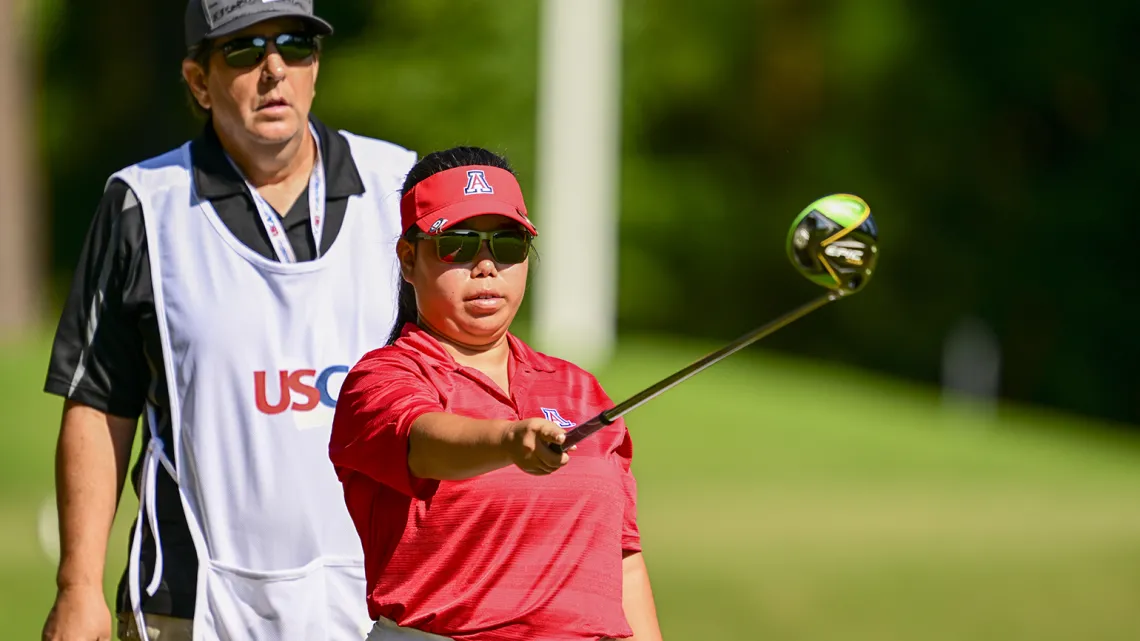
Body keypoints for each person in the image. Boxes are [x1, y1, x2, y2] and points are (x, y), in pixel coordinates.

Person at [41, 1, 415, 639]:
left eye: (295, 45)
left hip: (382, 600)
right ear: (198, 81)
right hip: (187, 602)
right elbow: (99, 403)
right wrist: (78, 588)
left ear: (316, 66)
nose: (274, 70)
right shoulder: (143, 204)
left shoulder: (399, 183)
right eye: (244, 50)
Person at [328, 147, 665, 641]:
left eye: (506, 245)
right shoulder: (382, 377)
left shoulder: (579, 388)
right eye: (458, 245)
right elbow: (424, 444)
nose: (485, 265)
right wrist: (508, 441)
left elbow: (624, 559)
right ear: (408, 258)